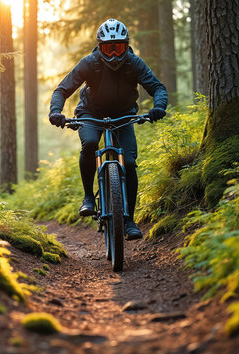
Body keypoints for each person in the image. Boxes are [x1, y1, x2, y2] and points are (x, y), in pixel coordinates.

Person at [49, 18, 168, 240]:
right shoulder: (89, 62)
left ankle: (130, 221)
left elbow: (157, 87)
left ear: (126, 46)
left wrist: (158, 107)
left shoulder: (134, 63)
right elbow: (62, 89)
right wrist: (56, 111)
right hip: (90, 113)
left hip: (123, 115)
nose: (114, 54)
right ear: (100, 47)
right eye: (108, 48)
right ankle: (87, 197)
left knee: (130, 163)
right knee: (91, 143)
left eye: (119, 47)